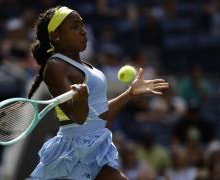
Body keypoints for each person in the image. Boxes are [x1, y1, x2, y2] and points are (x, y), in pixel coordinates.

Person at [27, 6, 169, 180]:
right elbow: (77, 118)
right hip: (72, 153)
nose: (83, 32)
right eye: (74, 27)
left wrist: (130, 93)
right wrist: (81, 100)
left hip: (94, 149)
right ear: (56, 35)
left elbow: (101, 115)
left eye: (82, 25)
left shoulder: (88, 66)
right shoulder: (55, 66)